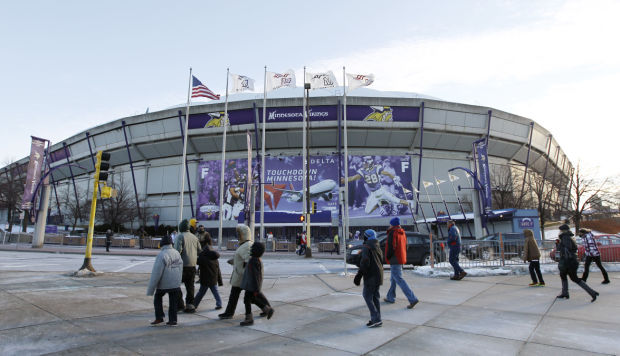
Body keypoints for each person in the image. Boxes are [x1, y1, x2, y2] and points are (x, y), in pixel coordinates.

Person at [342, 156, 413, 215]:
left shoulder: (377, 168)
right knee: (367, 211)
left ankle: (410, 205)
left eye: (367, 161)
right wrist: (345, 179)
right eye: (365, 161)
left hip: (380, 190)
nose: (365, 162)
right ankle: (385, 204)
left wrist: (394, 178)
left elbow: (387, 173)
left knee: (396, 200)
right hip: (373, 193)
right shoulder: (362, 170)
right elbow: (353, 178)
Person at [556, 224, 599, 302]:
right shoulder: (568, 237)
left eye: (560, 230)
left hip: (569, 262)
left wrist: (559, 245)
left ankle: (592, 293)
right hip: (571, 261)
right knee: (563, 276)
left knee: (574, 278)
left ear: (563, 231)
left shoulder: (565, 237)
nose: (559, 232)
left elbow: (567, 249)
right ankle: (565, 293)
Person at [146, 235, 183, 326]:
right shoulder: (176, 253)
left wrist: (150, 290)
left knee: (158, 298)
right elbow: (181, 269)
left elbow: (156, 273)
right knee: (173, 302)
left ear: (162, 244)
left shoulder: (162, 254)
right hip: (175, 283)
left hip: (164, 284)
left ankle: (159, 317)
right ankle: (173, 320)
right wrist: (178, 282)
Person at [219, 224, 253, 319]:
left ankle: (266, 308)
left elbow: (248, 260)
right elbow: (241, 259)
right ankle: (229, 312)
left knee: (254, 297)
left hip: (242, 276)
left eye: (240, 233)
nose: (238, 236)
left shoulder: (247, 245)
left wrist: (243, 271)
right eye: (238, 233)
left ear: (245, 234)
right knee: (234, 295)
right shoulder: (243, 245)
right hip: (240, 275)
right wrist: (234, 261)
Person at [383, 217, 419, 309]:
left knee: (399, 279)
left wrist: (387, 256)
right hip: (400, 258)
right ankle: (391, 297)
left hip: (394, 259)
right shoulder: (402, 232)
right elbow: (406, 246)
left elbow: (391, 247)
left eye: (390, 224)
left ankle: (412, 298)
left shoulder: (392, 232)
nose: (389, 225)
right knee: (393, 279)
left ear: (393, 224)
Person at [354, 229, 384, 328]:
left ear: (367, 237)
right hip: (379, 275)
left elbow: (365, 262)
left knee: (367, 295)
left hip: (371, 276)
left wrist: (359, 275)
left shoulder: (367, 247)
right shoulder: (377, 245)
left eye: (365, 236)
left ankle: (375, 318)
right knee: (375, 297)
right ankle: (377, 319)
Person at [239, 242, 275, 326]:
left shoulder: (253, 260)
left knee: (247, 300)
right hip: (252, 286)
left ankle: (249, 318)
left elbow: (255, 276)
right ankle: (266, 309)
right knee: (252, 300)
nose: (251, 249)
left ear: (256, 250)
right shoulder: (255, 259)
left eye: (253, 248)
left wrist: (256, 289)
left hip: (251, 286)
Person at [173, 219, 202, 313]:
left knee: (176, 285)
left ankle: (180, 305)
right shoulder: (194, 237)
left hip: (181, 265)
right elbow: (199, 250)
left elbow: (177, 251)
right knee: (190, 286)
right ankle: (190, 305)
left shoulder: (180, 236)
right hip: (192, 265)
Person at [194, 235, 223, 310]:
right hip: (213, 278)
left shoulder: (202, 256)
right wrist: (220, 281)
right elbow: (218, 269)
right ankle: (219, 304)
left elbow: (197, 262)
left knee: (201, 292)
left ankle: (194, 304)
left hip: (205, 278)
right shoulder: (214, 256)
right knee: (215, 291)